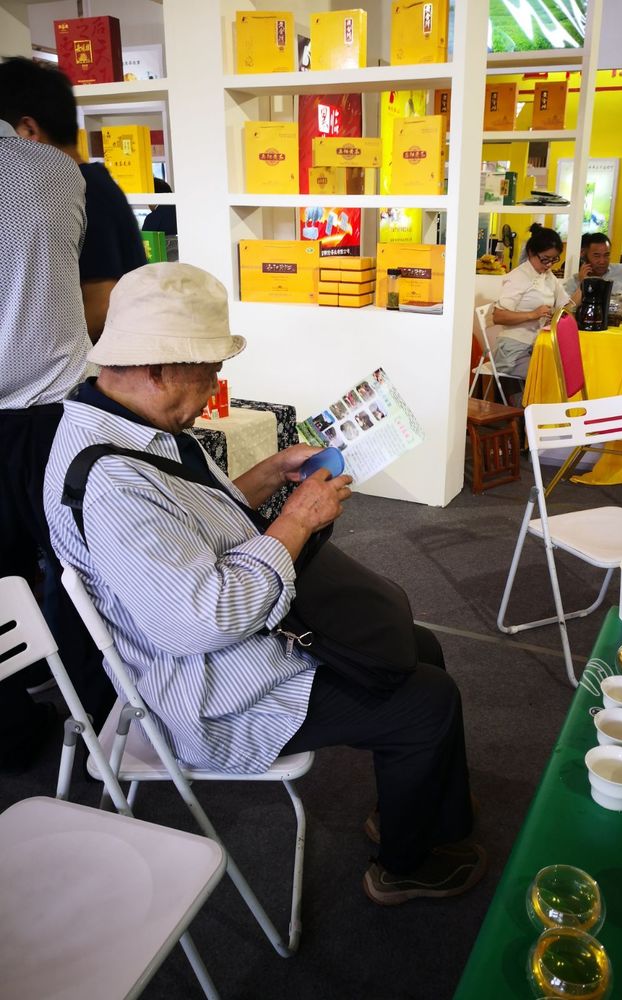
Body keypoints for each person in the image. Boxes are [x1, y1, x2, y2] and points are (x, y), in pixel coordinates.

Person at [43, 262, 485, 906]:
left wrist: (274, 471)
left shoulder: (128, 426)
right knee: (429, 701)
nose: (216, 385)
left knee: (421, 648)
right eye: (208, 370)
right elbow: (202, 619)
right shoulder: (113, 480)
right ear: (158, 368)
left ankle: (413, 810)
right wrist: (298, 520)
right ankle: (405, 864)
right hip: (208, 688)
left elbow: (197, 519)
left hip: (235, 645)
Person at [0, 119, 112, 771]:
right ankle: (99, 723)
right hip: (53, 416)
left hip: (40, 413)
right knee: (79, 568)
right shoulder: (54, 170)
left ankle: (11, 728)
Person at [0, 57, 147, 341]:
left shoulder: (80, 192)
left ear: (28, 130)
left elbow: (101, 305)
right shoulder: (87, 184)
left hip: (95, 363)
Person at [489, 227, 580, 381]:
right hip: (512, 350)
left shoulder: (547, 275)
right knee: (551, 376)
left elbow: (566, 306)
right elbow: (498, 316)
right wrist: (533, 314)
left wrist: (583, 285)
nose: (549, 264)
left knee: (570, 367)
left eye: (554, 259)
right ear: (531, 253)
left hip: (536, 345)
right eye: (545, 259)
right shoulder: (518, 277)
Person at [564, 233, 622, 322]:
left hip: (616, 325)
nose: (602, 261)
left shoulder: (620, 271)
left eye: (606, 255)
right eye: (596, 256)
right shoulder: (574, 281)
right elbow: (566, 312)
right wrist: (583, 284)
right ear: (584, 255)